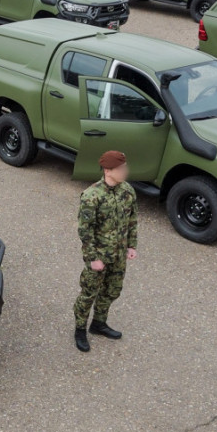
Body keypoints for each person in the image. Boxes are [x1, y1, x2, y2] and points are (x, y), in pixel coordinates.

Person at [73, 150, 138, 353]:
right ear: (108, 170)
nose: (125, 171)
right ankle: (80, 329)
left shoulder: (127, 191)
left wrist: (131, 245)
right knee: (89, 293)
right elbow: (85, 231)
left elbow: (132, 220)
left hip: (118, 255)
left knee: (112, 291)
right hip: (99, 257)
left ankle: (99, 323)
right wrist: (92, 258)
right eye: (121, 168)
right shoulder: (92, 196)